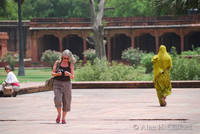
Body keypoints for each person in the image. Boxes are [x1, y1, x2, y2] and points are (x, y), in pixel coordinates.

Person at [52, 49, 75, 124]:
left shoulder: (70, 64)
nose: (65, 60)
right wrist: (56, 74)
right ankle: (59, 114)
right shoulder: (57, 62)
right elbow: (52, 73)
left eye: (67, 58)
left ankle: (63, 118)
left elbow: (72, 77)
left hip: (67, 84)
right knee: (57, 99)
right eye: (64, 58)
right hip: (57, 83)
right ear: (62, 57)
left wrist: (69, 74)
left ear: (69, 58)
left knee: (66, 101)